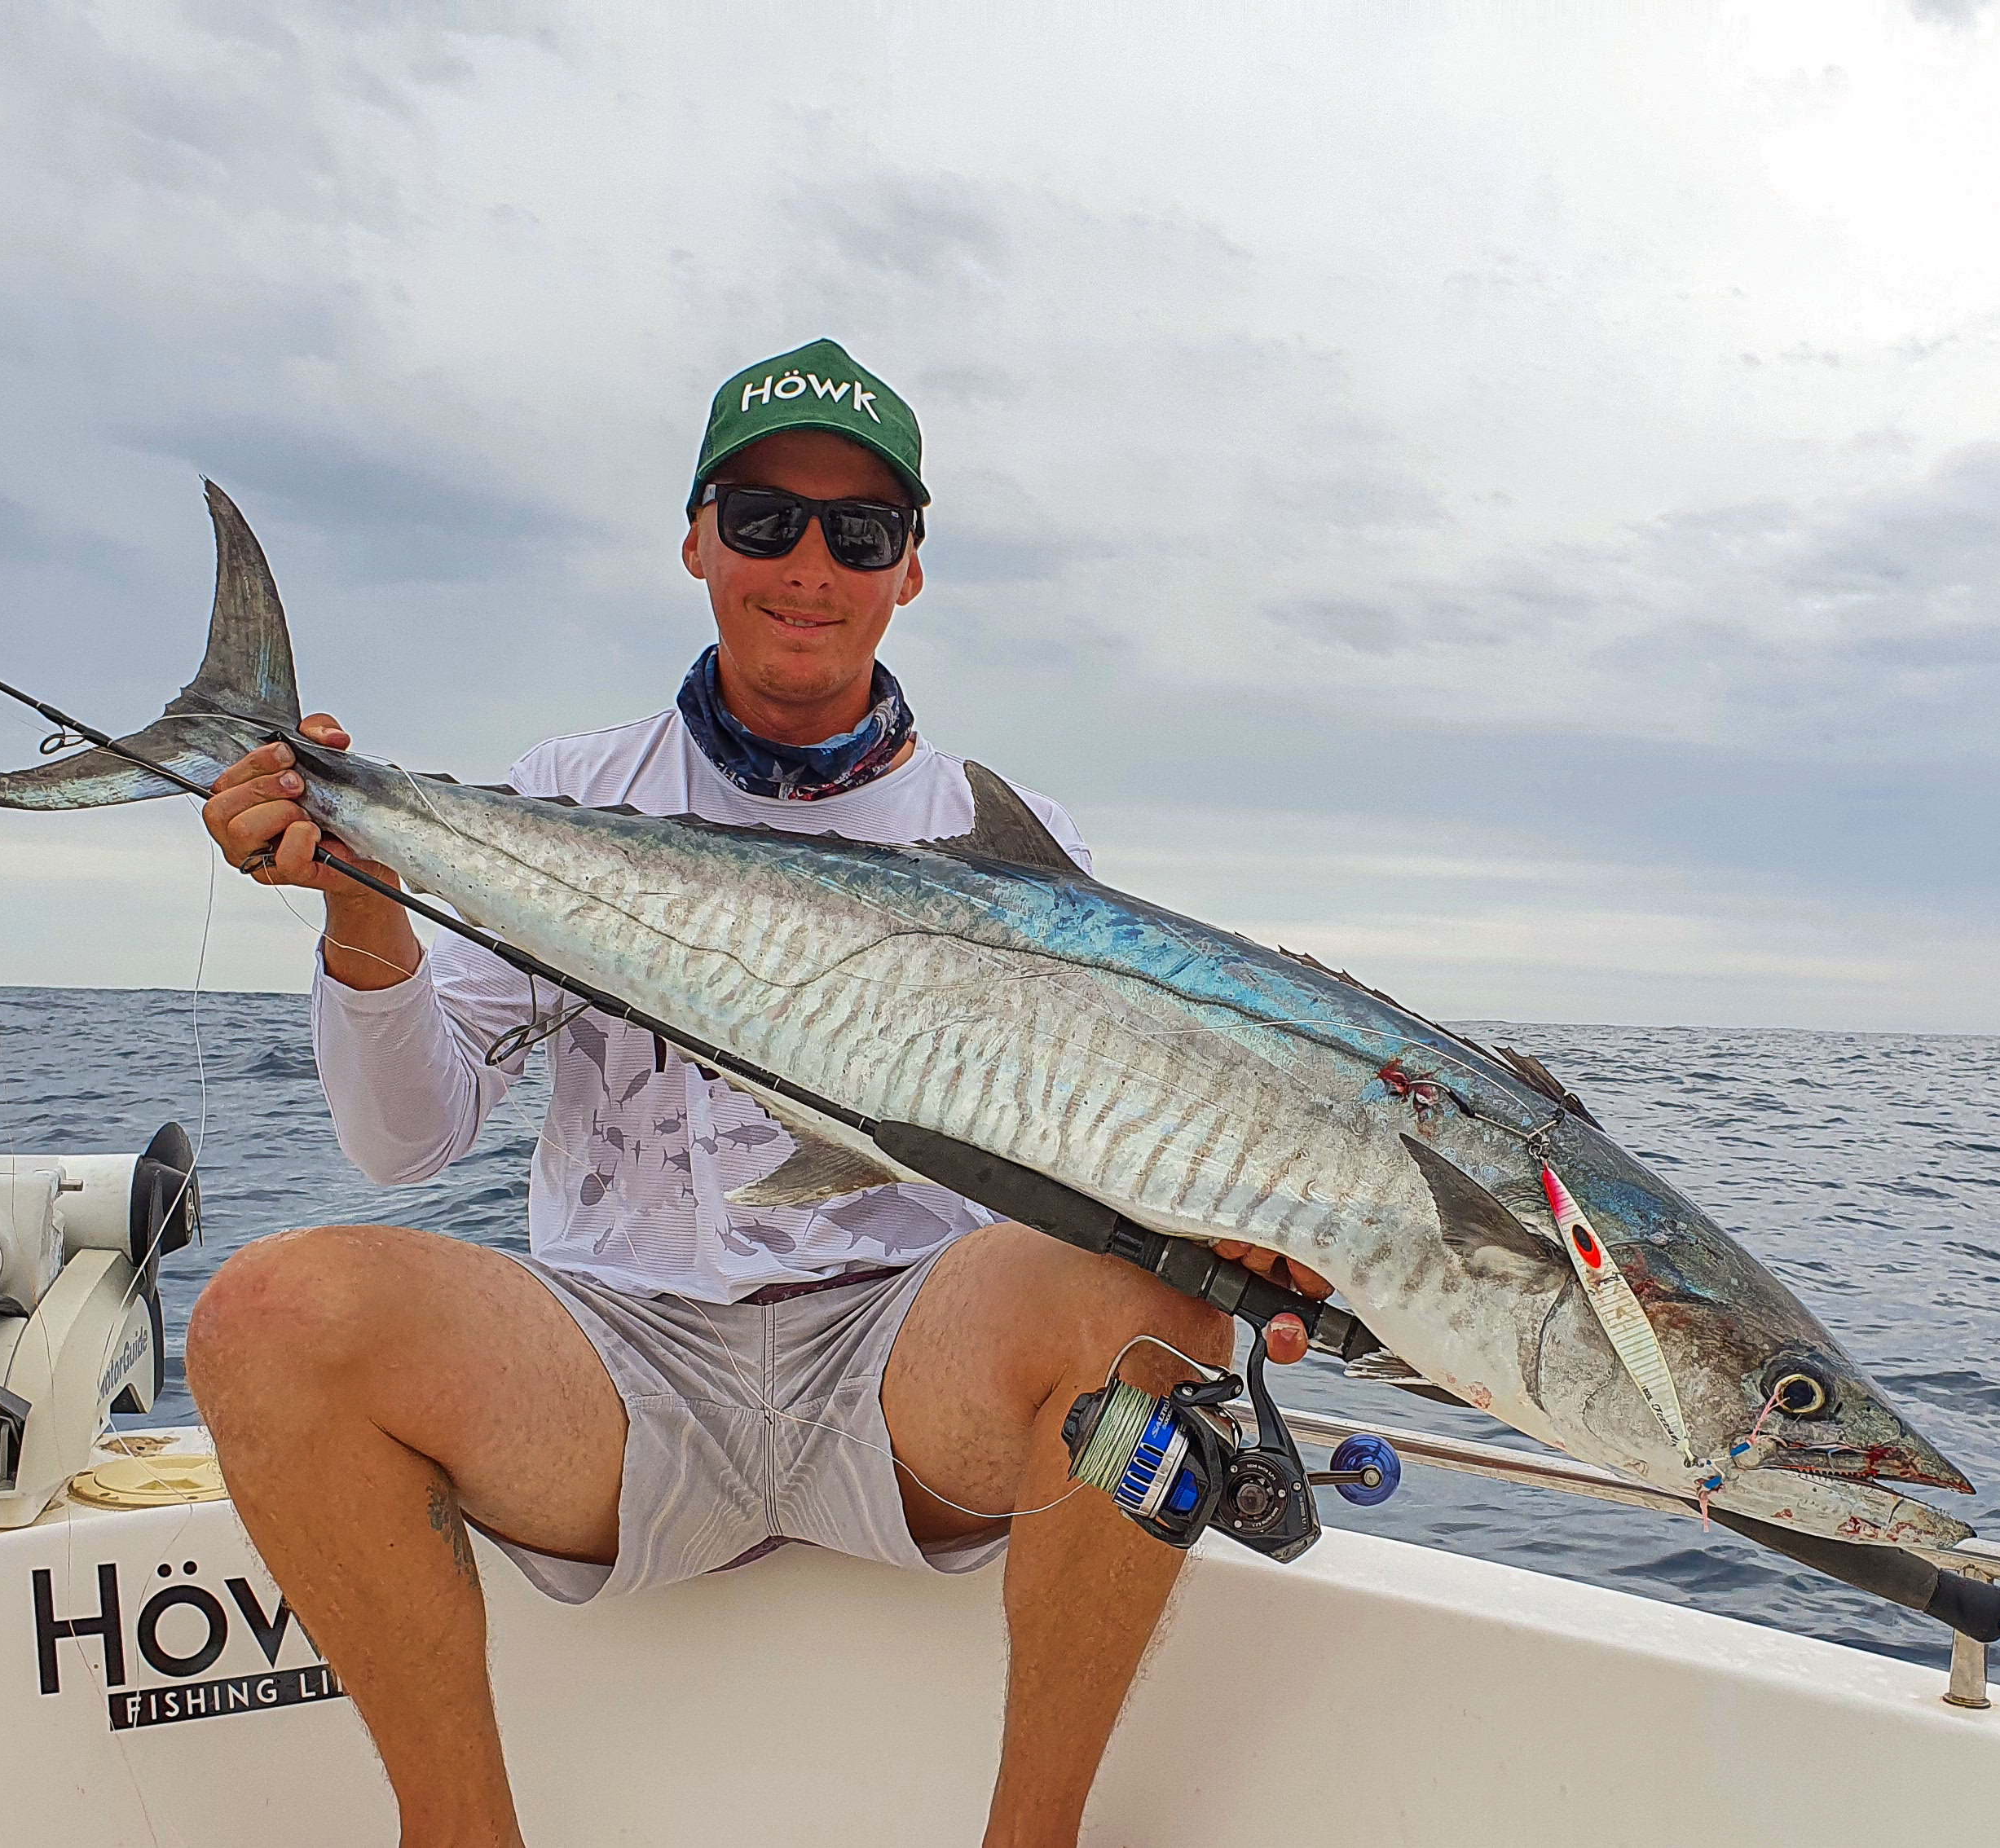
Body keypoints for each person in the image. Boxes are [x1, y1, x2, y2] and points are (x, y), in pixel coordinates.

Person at [187, 338, 1329, 1848]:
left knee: (1156, 1308)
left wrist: (1242, 1239)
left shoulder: (1010, 846)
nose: (808, 566)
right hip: (616, 1370)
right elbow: (405, 1144)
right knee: (268, 1316)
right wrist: (361, 908)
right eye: (765, 519)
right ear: (697, 541)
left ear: (909, 567)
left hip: (907, 1376)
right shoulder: (573, 795)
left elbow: (1106, 1158)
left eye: (858, 531)